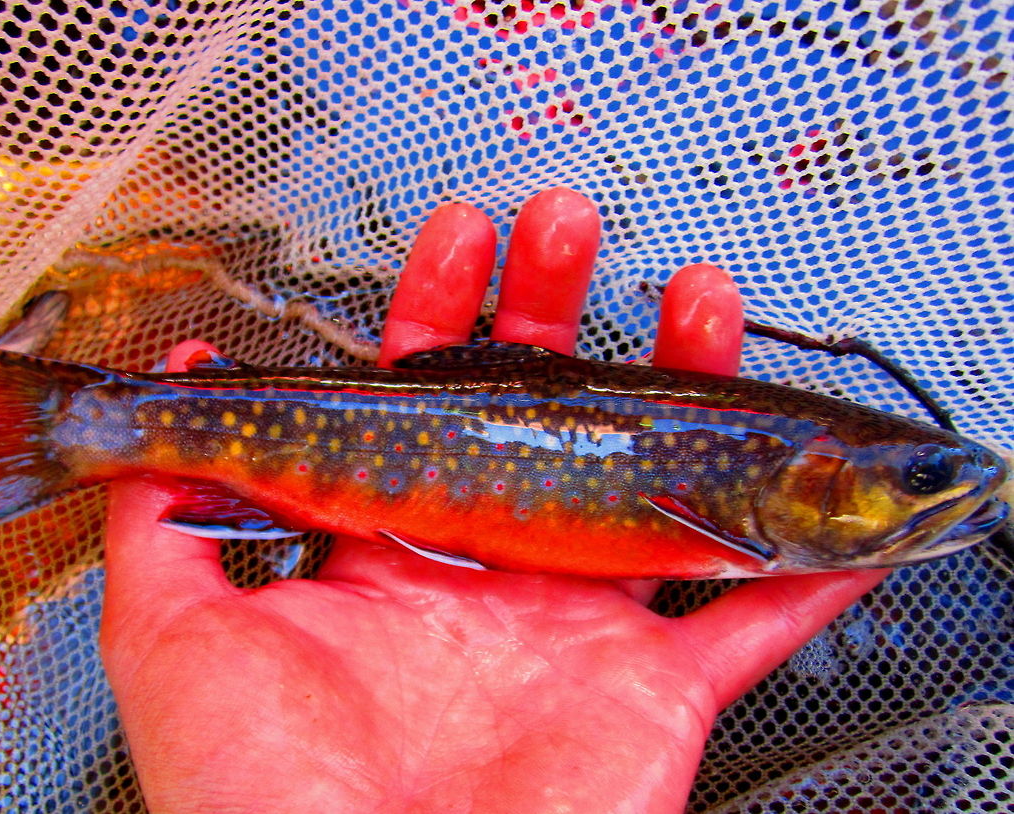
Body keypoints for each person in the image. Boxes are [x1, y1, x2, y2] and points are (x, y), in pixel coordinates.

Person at [99, 189, 888, 813]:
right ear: (815, 471)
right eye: (920, 478)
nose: (940, 491)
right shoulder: (745, 516)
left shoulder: (751, 493)